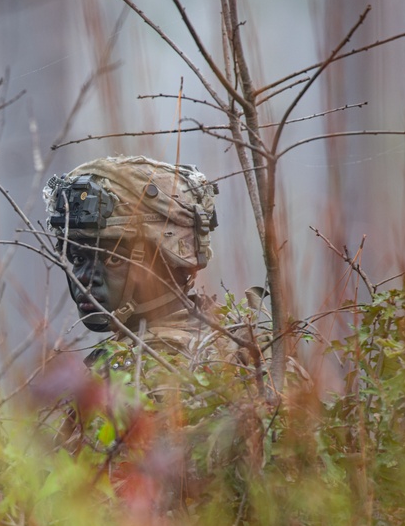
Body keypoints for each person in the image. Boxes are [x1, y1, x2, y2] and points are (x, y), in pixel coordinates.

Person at [42, 155, 271, 396]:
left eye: (114, 259)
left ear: (166, 260)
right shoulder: (236, 339)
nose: (84, 278)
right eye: (78, 259)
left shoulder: (156, 369)